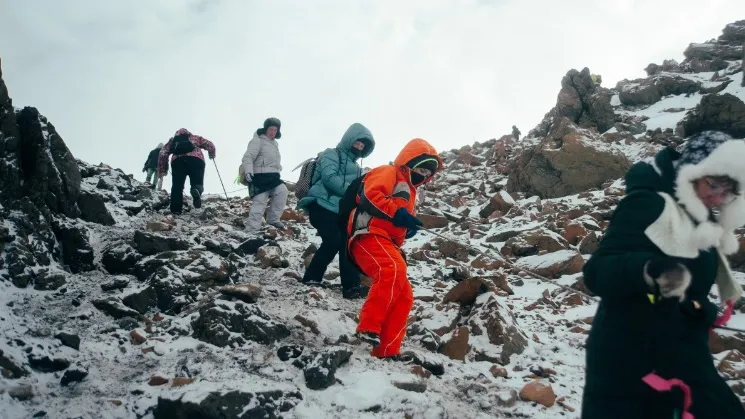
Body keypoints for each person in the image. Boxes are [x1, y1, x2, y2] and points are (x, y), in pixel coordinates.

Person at [581, 131, 745, 419]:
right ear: (693, 171)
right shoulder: (650, 203)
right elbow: (597, 272)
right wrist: (648, 270)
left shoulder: (701, 221)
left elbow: (688, 293)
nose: (719, 196)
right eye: (715, 183)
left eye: (729, 190)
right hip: (631, 359)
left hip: (682, 353)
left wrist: (701, 310)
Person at [348, 138, 443, 359]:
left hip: (386, 241)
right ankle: (368, 327)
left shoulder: (411, 192)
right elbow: (371, 195)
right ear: (408, 162)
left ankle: (387, 350)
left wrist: (406, 228)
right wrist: (399, 215)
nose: (424, 175)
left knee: (404, 295)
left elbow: (395, 219)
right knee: (392, 269)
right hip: (368, 234)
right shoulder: (389, 171)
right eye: (421, 168)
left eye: (429, 173)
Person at [297, 123, 375, 299]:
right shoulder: (332, 153)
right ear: (349, 140)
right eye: (357, 143)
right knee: (333, 240)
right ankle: (311, 278)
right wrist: (354, 193)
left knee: (347, 244)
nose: (360, 147)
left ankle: (351, 287)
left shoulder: (357, 170)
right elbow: (329, 178)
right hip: (320, 205)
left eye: (363, 146)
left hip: (339, 212)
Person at [241, 117, 289, 233]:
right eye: (271, 129)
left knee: (282, 191)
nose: (273, 132)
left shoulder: (275, 144)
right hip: (259, 176)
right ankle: (251, 230)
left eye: (275, 130)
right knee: (260, 201)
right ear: (266, 129)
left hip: (273, 176)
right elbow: (248, 157)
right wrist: (248, 171)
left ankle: (273, 219)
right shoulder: (257, 140)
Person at [158, 128, 216, 215]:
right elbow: (209, 144)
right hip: (196, 160)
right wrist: (212, 153)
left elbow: (163, 152)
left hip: (178, 161)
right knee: (197, 182)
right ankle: (196, 189)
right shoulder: (195, 137)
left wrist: (162, 169)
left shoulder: (173, 140)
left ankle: (175, 210)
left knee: (177, 186)